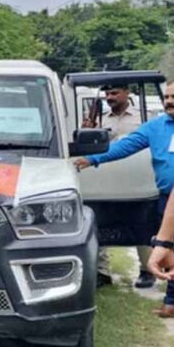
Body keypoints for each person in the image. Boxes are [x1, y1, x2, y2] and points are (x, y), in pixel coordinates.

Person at [75, 81, 174, 317]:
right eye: (168, 97)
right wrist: (92, 159)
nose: (169, 102)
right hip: (167, 199)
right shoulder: (156, 126)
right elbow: (125, 146)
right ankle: (171, 302)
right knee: (169, 248)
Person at [81, 84, 149, 288]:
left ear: (127, 92)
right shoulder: (100, 119)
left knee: (141, 224)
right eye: (107, 94)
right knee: (100, 224)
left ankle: (147, 270)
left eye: (114, 93)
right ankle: (102, 272)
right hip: (106, 180)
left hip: (137, 180)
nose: (110, 97)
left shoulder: (144, 117)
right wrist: (88, 131)